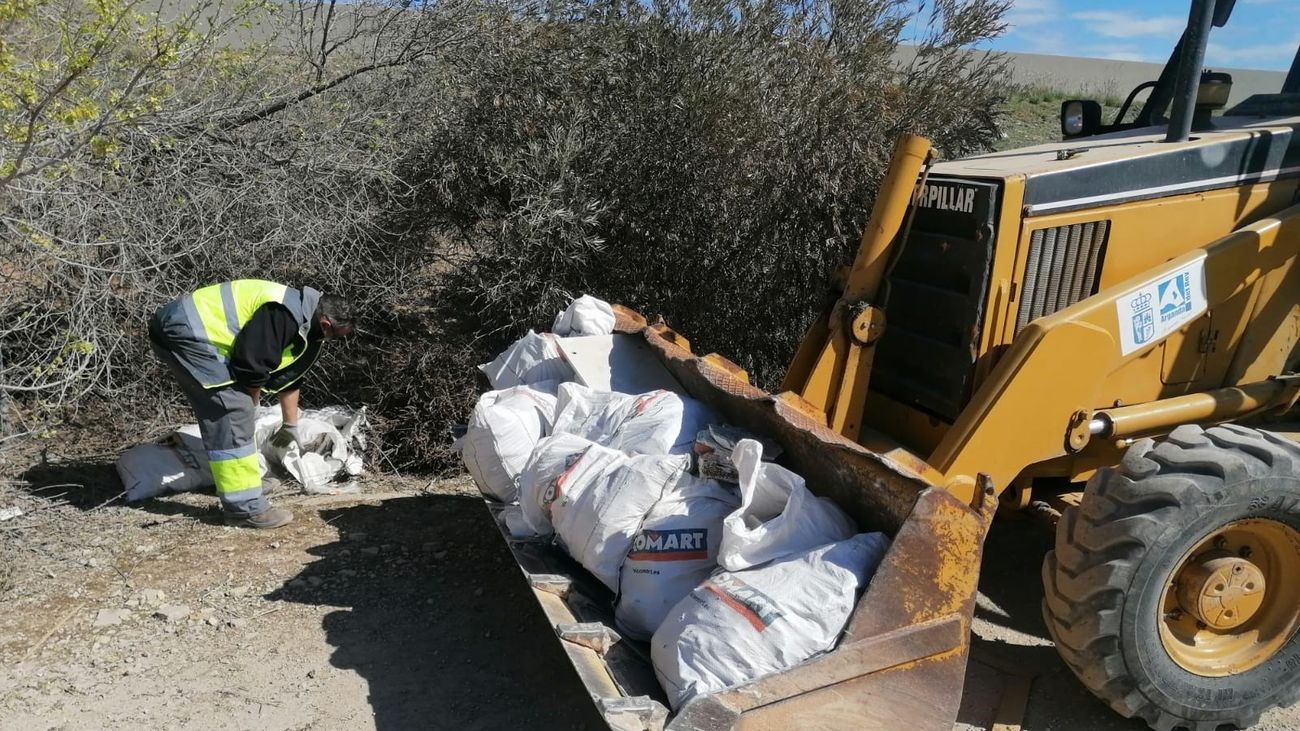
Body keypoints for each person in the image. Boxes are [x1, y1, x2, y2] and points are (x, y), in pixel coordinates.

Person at [148, 280, 355, 529]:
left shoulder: (306, 320)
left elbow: (291, 378)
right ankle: (244, 507)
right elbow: (251, 366)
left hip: (187, 329)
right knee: (233, 410)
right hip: (184, 331)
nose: (332, 342)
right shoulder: (283, 314)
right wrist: (252, 404)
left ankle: (241, 489)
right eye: (336, 337)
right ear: (326, 325)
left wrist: (290, 425)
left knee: (235, 410)